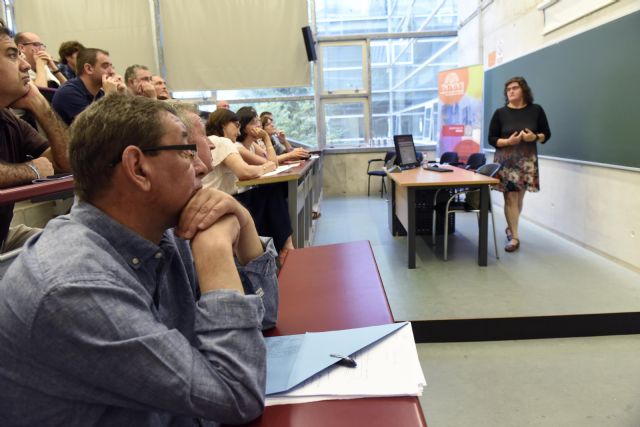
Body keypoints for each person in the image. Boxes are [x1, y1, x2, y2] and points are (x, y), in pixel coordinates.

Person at [0, 94, 278, 425]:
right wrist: (216, 250)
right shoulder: (73, 287)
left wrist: (243, 224)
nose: (203, 166)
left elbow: (263, 318)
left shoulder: (163, 234)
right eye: (187, 152)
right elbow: (237, 394)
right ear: (137, 167)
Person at [0, 26, 70, 253]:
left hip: (3, 237)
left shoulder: (8, 119)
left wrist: (41, 107)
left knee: (74, 245)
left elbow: (66, 161)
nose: (26, 65)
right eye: (12, 55)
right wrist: (33, 170)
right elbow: (41, 167)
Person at [488, 76, 551, 253]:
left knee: (519, 198)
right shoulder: (500, 113)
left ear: (523, 90)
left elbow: (546, 133)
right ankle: (515, 237)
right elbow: (491, 139)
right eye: (508, 89)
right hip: (506, 161)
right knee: (510, 197)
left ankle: (510, 228)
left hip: (526, 161)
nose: (511, 92)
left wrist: (534, 137)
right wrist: (508, 142)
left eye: (514, 88)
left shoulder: (536, 110)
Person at [203, 107, 276, 195]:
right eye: (237, 126)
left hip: (217, 198)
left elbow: (272, 163)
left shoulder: (212, 140)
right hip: (223, 200)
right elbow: (245, 172)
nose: (239, 133)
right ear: (223, 124)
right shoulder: (222, 141)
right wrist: (266, 167)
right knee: (273, 191)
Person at [52, 48, 126, 125]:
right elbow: (91, 129)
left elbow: (121, 123)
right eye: (105, 66)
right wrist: (109, 96)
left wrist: (122, 95)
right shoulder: (68, 92)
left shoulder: (100, 94)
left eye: (112, 67)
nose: (112, 72)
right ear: (89, 69)